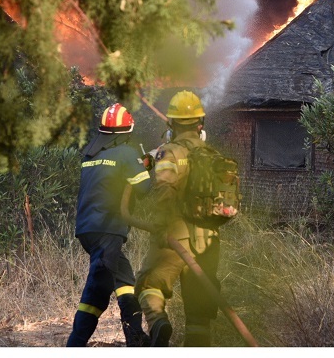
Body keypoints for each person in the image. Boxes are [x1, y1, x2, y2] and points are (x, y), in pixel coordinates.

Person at [134, 90, 221, 347]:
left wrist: (161, 227)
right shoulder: (213, 156)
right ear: (200, 125)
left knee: (150, 284)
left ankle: (159, 324)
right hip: (208, 242)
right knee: (198, 313)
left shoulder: (169, 153)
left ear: (170, 124)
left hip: (175, 236)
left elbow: (164, 189)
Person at [66, 103, 153, 347]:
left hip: (87, 231)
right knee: (96, 292)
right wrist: (145, 166)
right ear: (128, 130)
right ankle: (74, 344)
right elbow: (144, 188)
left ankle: (136, 338)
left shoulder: (90, 154)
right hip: (108, 230)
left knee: (124, 282)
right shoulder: (125, 153)